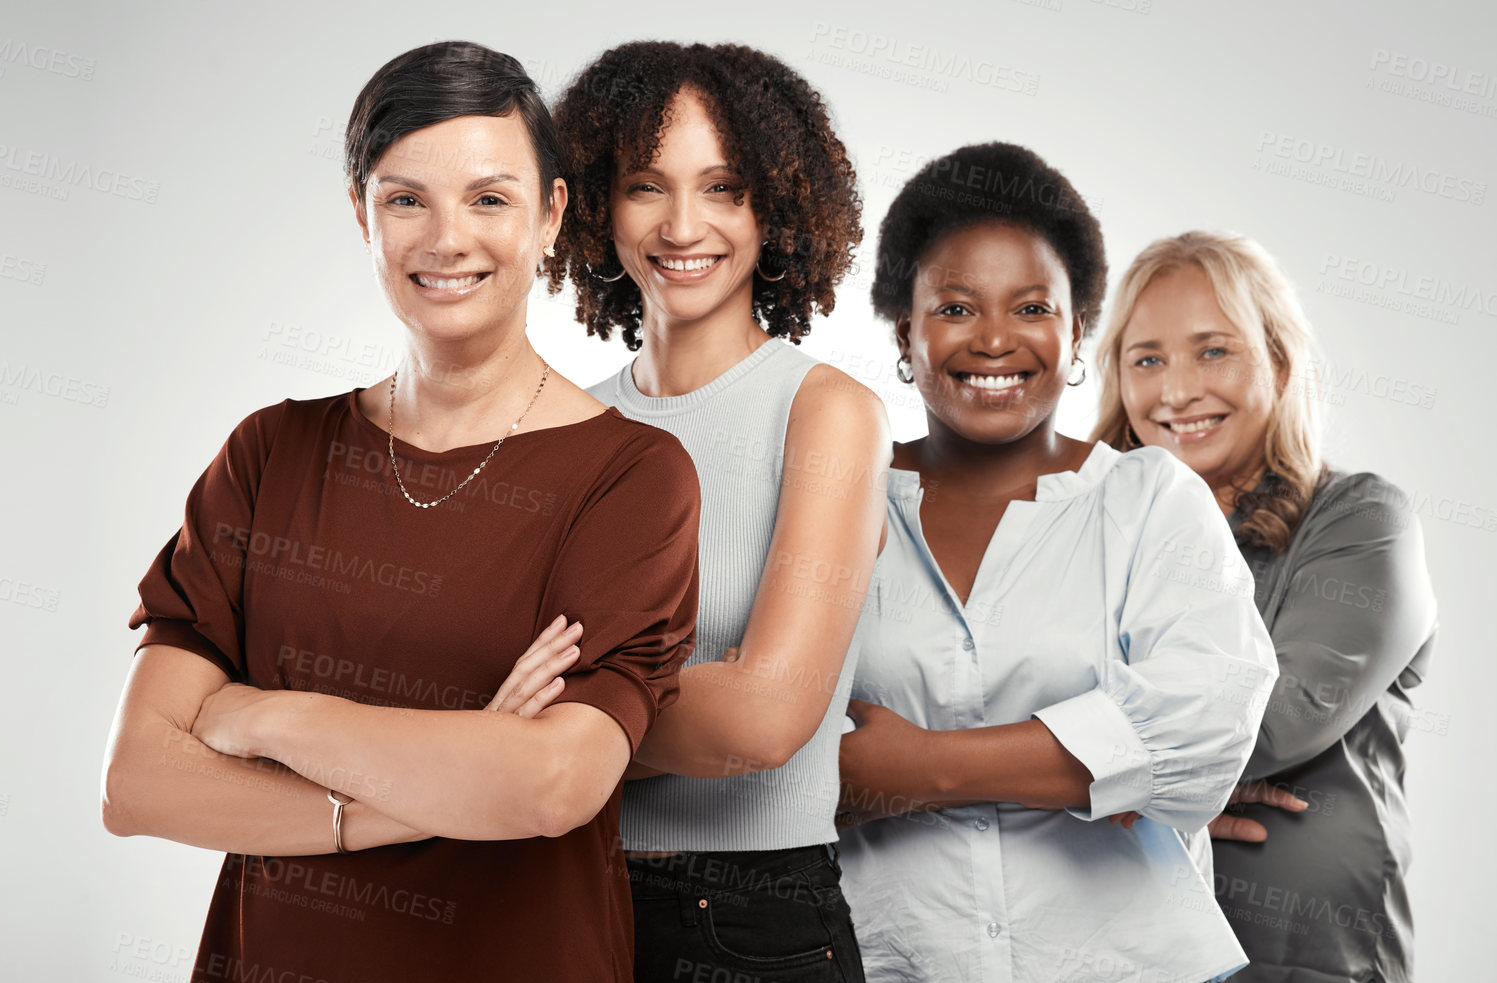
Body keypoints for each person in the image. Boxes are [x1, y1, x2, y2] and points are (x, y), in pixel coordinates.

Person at [98, 41, 702, 983]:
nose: (445, 238)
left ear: (550, 217)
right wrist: (444, 780)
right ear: (362, 216)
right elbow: (137, 783)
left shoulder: (629, 475)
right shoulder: (270, 455)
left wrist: (263, 716)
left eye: (490, 198)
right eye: (405, 198)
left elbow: (549, 785)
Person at [831, 142, 1279, 982]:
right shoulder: (831, 502)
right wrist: (1087, 762)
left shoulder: (1150, 501)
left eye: (1031, 306)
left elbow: (1201, 727)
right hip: (897, 960)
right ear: (904, 329)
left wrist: (913, 768)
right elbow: (776, 750)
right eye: (955, 307)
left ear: (1077, 329)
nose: (994, 340)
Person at [537, 40, 887, 982]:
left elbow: (765, 718)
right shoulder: (559, 424)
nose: (682, 224)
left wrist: (544, 735)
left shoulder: (826, 412)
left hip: (751, 919)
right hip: (552, 900)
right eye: (646, 185)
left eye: (723, 187)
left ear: (776, 205)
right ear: (593, 204)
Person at [1091, 230, 1439, 982]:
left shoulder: (1357, 519)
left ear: (1278, 363)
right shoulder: (1086, 532)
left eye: (1211, 350)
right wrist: (1167, 794)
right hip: (1114, 940)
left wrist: (1117, 785)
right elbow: (993, 691)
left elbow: (1277, 715)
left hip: (1303, 954)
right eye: (1145, 358)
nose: (1176, 390)